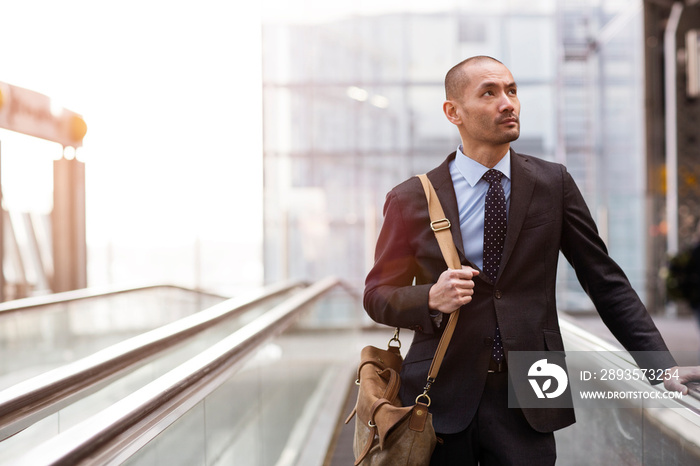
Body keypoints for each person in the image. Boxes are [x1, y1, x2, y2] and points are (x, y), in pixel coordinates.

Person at [363, 55, 700, 465]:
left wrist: (658, 365)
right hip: (438, 393)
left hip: (535, 389)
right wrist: (430, 298)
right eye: (489, 93)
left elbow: (604, 280)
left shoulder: (553, 183)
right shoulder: (410, 198)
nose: (508, 103)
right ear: (453, 112)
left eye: (512, 90)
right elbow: (377, 295)